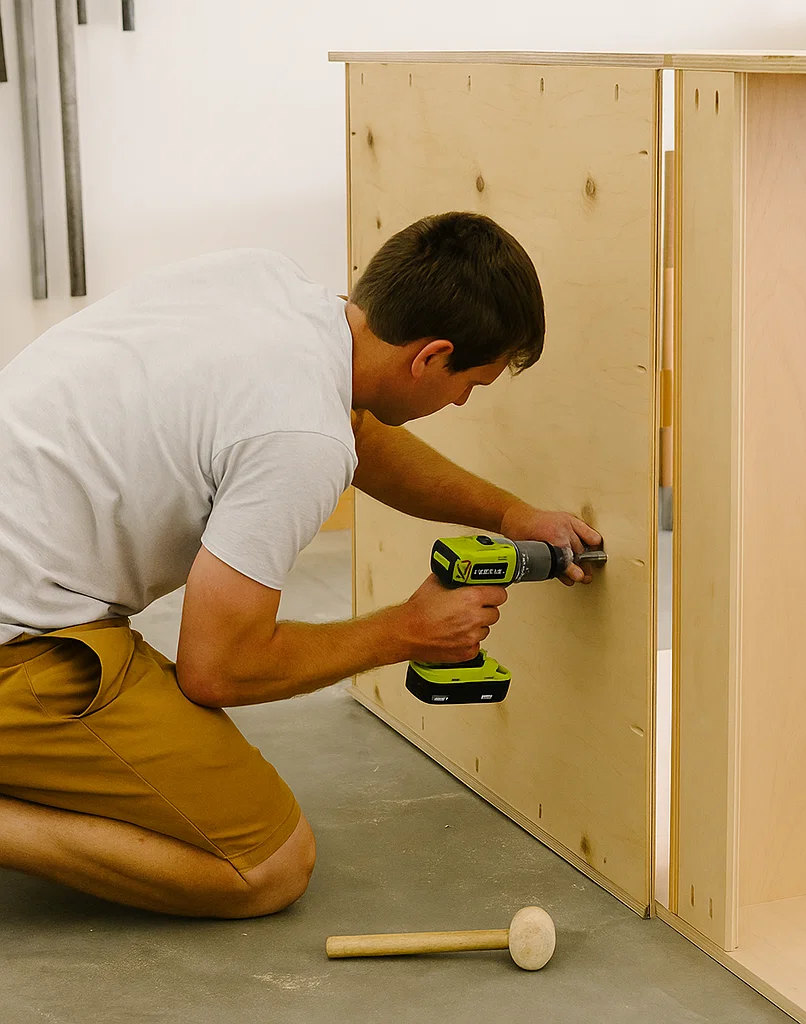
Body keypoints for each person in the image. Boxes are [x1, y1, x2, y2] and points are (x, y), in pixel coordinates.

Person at [0, 212, 602, 919]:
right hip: (21, 647)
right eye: (473, 382)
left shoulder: (265, 286)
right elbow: (216, 667)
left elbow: (351, 432)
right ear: (432, 355)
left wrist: (509, 516)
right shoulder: (300, 434)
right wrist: (406, 632)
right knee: (266, 866)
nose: (463, 400)